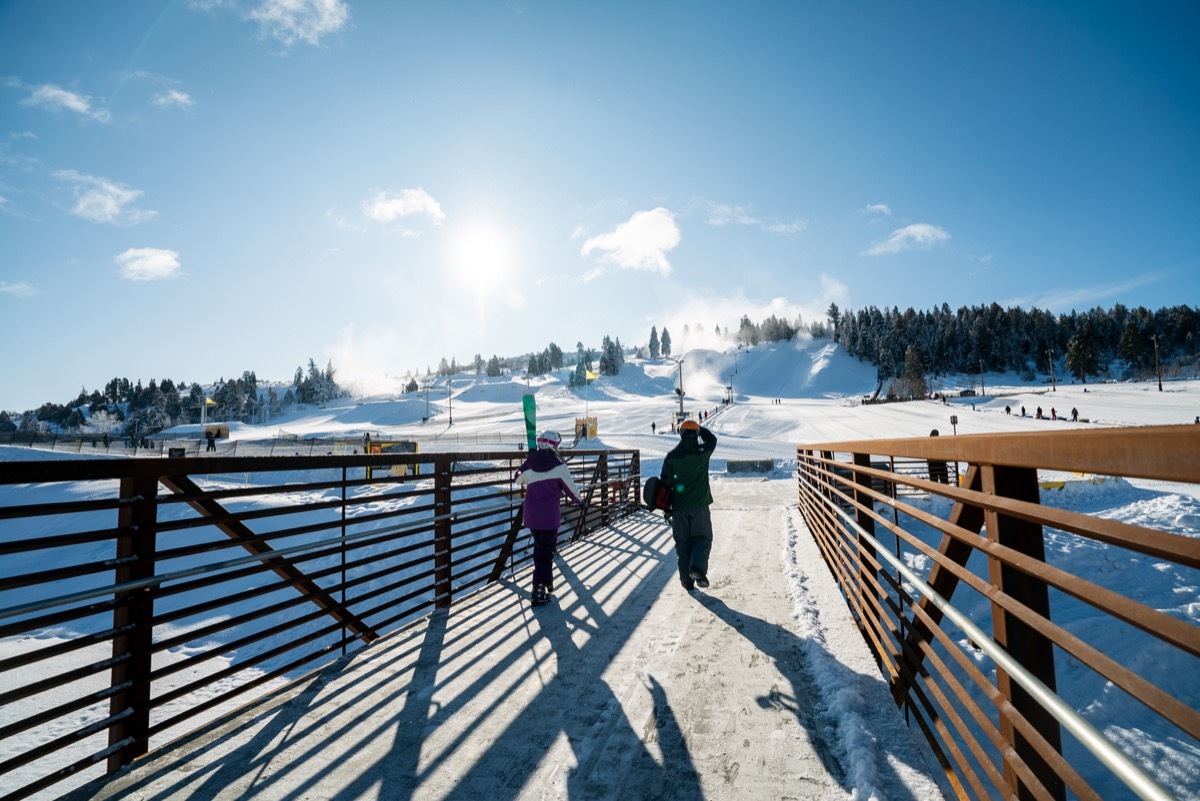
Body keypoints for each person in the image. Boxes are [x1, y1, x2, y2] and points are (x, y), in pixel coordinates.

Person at [514, 430, 582, 607]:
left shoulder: (531, 462)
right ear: (553, 446)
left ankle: (547, 582)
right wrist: (580, 502)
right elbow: (571, 489)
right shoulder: (559, 466)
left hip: (532, 516)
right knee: (545, 553)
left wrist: (528, 461)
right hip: (549, 517)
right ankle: (538, 591)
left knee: (541, 549)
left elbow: (517, 479)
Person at [659, 419, 718, 590]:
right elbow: (712, 440)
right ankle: (697, 569)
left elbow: (665, 482)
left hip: (679, 507)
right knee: (702, 538)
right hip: (700, 506)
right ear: (696, 434)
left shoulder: (672, 456)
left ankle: (686, 580)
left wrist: (666, 508)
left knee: (683, 543)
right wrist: (700, 429)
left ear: (681, 434)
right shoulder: (702, 452)